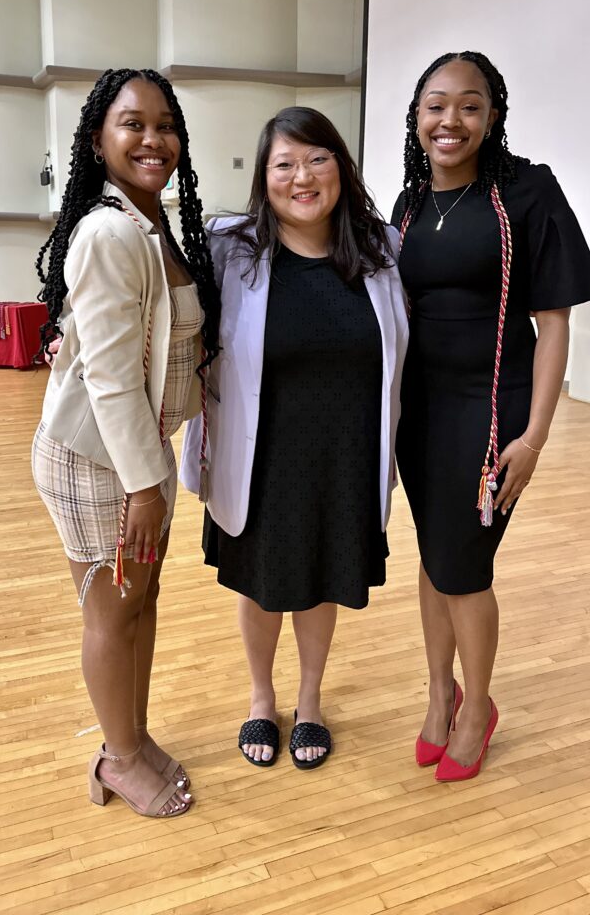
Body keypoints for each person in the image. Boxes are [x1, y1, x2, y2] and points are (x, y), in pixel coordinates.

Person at [392, 51, 590, 781]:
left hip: (491, 410)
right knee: (433, 554)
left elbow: (554, 321)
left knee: (466, 567)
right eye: (436, 105)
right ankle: (437, 692)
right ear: (417, 116)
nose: (451, 120)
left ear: (492, 115)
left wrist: (537, 434)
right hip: (418, 410)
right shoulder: (411, 202)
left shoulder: (526, 192)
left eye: (470, 105)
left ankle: (478, 707)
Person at [181, 107, 409, 770]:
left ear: (340, 166)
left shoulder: (380, 251)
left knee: (321, 582)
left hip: (344, 453)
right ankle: (261, 696)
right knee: (260, 584)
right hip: (262, 452)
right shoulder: (232, 250)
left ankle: (310, 701)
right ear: (264, 177)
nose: (302, 177)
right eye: (284, 164)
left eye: (317, 159)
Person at [32, 68, 220, 816]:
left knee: (142, 600)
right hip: (99, 460)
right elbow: (110, 381)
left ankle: (132, 737)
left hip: (143, 452)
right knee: (112, 610)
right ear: (97, 139)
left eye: (165, 125)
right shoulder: (111, 231)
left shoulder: (151, 222)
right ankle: (118, 758)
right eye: (132, 124)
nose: (153, 139)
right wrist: (145, 486)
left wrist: (155, 473)